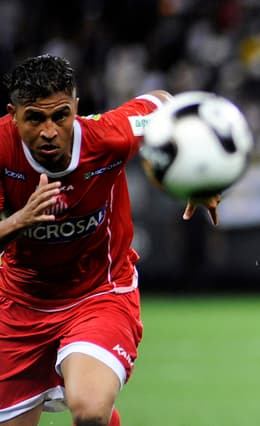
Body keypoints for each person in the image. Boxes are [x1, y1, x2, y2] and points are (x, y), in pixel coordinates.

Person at [0, 55, 219, 426]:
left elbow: (164, 103)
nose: (50, 131)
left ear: (76, 108)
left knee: (89, 410)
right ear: (13, 114)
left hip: (100, 293)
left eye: (61, 116)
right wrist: (18, 222)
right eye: (35, 118)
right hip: (20, 305)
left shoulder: (110, 136)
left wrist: (196, 178)